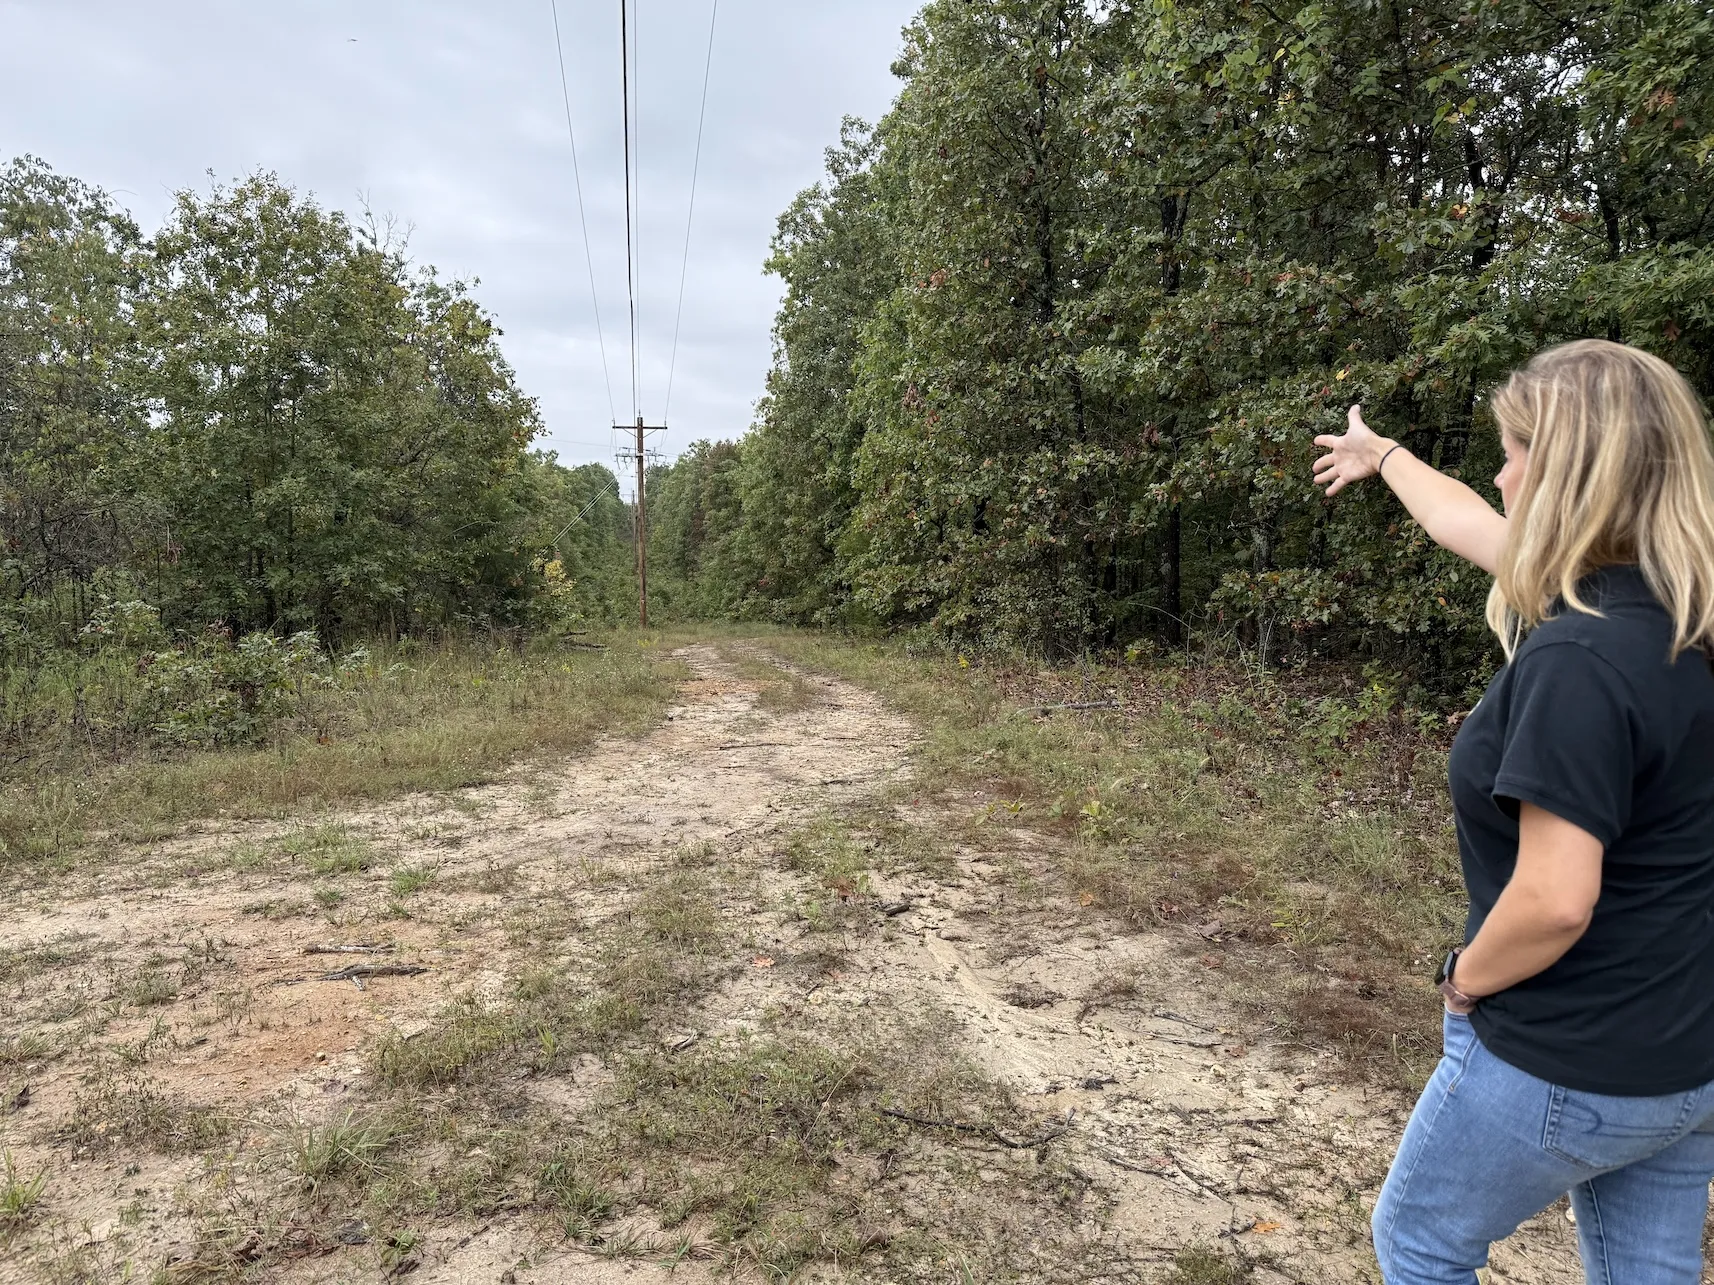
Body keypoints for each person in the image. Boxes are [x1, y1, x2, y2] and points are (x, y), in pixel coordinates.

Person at [1312, 339, 1714, 1285]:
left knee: (1420, 1240)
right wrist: (1384, 455)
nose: (1500, 475)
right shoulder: (1682, 614)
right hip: (1686, 1063)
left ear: (1572, 472)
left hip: (1567, 1053)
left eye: (1515, 453)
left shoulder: (1580, 656)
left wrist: (1465, 979)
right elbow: (1465, 519)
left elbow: (1556, 899)